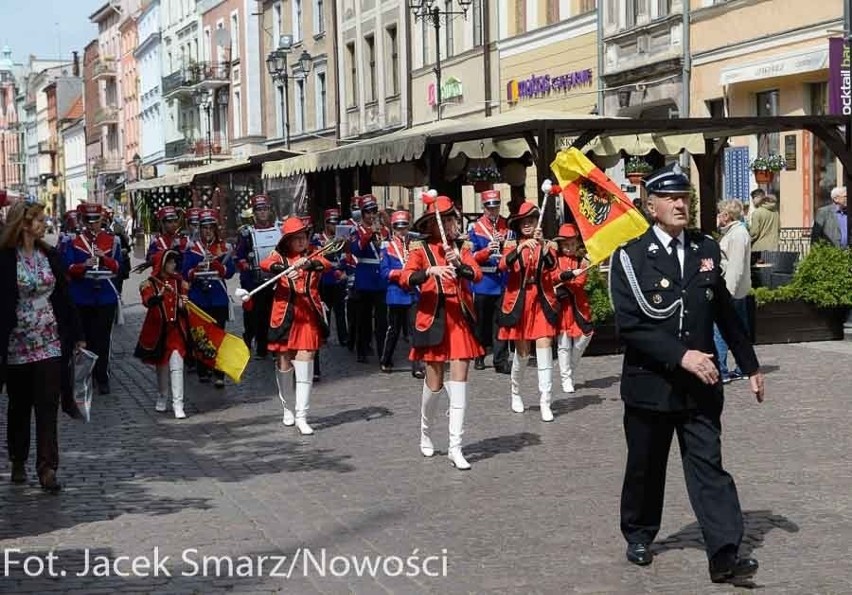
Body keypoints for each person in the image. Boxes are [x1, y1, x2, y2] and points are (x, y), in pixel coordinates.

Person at [609, 163, 766, 584]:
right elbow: (631, 324)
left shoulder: (706, 250)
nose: (681, 204)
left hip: (700, 387)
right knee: (646, 465)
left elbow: (725, 313)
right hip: (651, 383)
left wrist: (749, 364)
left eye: (685, 197)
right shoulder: (631, 257)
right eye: (671, 198)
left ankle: (725, 553)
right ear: (651, 204)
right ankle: (639, 533)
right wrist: (682, 356)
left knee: (708, 467)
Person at [0, 199, 84, 492]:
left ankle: (47, 468)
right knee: (20, 405)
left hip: (49, 339)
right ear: (23, 224)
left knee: (49, 404)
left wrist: (76, 333)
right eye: (37, 220)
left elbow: (63, 295)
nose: (43, 225)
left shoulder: (49, 254)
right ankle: (19, 459)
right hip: (16, 342)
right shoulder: (5, 258)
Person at [399, 194, 483, 470]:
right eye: (444, 220)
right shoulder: (419, 249)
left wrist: (458, 262)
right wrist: (430, 271)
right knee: (434, 384)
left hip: (459, 319)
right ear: (432, 224)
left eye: (451, 220)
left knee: (459, 385)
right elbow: (405, 278)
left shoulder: (461, 247)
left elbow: (476, 274)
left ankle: (455, 447)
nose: (449, 225)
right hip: (433, 318)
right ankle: (425, 430)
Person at [261, 217, 333, 435]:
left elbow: (326, 264)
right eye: (296, 238)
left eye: (303, 236)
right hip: (284, 314)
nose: (302, 241)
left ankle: (302, 415)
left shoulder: (313, 252)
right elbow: (265, 263)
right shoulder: (279, 256)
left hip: (308, 314)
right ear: (287, 241)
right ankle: (287, 408)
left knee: (306, 363)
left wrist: (309, 263)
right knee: (284, 363)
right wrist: (281, 268)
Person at [497, 201, 560, 422]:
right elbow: (503, 265)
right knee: (522, 354)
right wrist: (521, 247)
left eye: (531, 221)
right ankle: (515, 391)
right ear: (518, 224)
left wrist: (541, 245)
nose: (528, 225)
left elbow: (553, 266)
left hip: (541, 300)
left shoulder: (547, 244)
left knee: (544, 349)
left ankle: (545, 401)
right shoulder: (511, 243)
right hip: (520, 300)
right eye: (524, 221)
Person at [62, 203, 122, 395]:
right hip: (82, 296)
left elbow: (118, 267)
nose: (92, 225)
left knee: (103, 340)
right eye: (88, 220)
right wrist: (84, 265)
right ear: (82, 220)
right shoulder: (74, 241)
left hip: (105, 297)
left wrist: (104, 259)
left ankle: (102, 377)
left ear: (102, 220)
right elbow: (68, 268)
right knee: (83, 340)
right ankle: (83, 377)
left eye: (96, 220)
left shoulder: (111, 240)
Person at [182, 208, 235, 388]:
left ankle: (219, 372)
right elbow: (185, 273)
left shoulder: (223, 248)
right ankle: (203, 369)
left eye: (210, 228)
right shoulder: (192, 248)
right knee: (201, 336)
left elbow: (230, 273)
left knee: (218, 334)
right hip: (199, 298)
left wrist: (217, 264)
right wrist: (197, 269)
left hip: (218, 297)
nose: (207, 231)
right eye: (204, 228)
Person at [135, 249, 190, 418]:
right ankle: (162, 396)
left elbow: (184, 308)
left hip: (176, 331)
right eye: (170, 262)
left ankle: (178, 404)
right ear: (162, 264)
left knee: (177, 365)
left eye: (174, 262)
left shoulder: (180, 283)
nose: (174, 265)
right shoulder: (149, 283)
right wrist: (158, 296)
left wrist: (182, 304)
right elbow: (147, 301)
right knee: (162, 367)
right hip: (159, 331)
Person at [468, 189, 512, 374]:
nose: (492, 210)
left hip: (501, 280)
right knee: (481, 322)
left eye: (495, 206)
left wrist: (504, 247)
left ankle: (500, 360)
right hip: (483, 281)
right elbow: (470, 257)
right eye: (489, 206)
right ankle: (479, 354)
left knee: (500, 322)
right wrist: (487, 250)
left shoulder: (507, 225)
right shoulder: (474, 227)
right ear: (483, 207)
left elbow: (512, 250)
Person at [235, 194, 281, 359]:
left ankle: (275, 346)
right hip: (255, 280)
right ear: (254, 212)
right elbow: (238, 256)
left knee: (275, 313)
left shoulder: (279, 229)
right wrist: (245, 265)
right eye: (259, 210)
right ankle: (260, 347)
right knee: (257, 315)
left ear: (270, 211)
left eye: (265, 209)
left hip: (276, 278)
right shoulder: (247, 233)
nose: (262, 213)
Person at [380, 209, 424, 378]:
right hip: (396, 293)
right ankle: (386, 359)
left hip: (412, 293)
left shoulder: (415, 245)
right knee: (394, 330)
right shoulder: (387, 245)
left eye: (404, 227)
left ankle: (417, 365)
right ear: (393, 228)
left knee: (415, 330)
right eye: (398, 227)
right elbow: (385, 272)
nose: (402, 231)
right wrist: (403, 273)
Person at [552, 223, 593, 394]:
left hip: (578, 305)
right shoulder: (555, 259)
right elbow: (553, 276)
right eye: (565, 245)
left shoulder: (582, 261)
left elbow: (580, 282)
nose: (569, 248)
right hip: (562, 306)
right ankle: (565, 378)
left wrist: (569, 277)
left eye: (572, 244)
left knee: (585, 337)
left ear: (577, 244)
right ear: (560, 245)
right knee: (563, 344)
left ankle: (569, 369)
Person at [714, 199, 752, 383]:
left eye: (719, 213)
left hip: (732, 291)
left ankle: (721, 369)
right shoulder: (734, 232)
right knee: (738, 329)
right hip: (736, 290)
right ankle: (743, 366)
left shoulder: (737, 234)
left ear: (726, 216)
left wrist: (727, 292)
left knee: (720, 329)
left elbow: (735, 266)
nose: (717, 216)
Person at [349, 194, 389, 363]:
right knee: (363, 319)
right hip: (364, 279)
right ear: (362, 213)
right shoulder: (356, 230)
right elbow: (356, 250)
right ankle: (362, 350)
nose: (371, 215)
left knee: (382, 321)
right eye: (368, 212)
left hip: (380, 280)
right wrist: (369, 234)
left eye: (373, 211)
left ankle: (383, 352)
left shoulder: (384, 230)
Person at [314, 208, 349, 347]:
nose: (334, 226)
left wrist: (344, 270)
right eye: (331, 223)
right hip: (324, 278)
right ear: (326, 223)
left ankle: (343, 337)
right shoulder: (319, 238)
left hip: (338, 277)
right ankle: (324, 334)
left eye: (336, 222)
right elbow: (315, 255)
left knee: (340, 310)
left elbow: (347, 256)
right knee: (325, 309)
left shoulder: (342, 237)